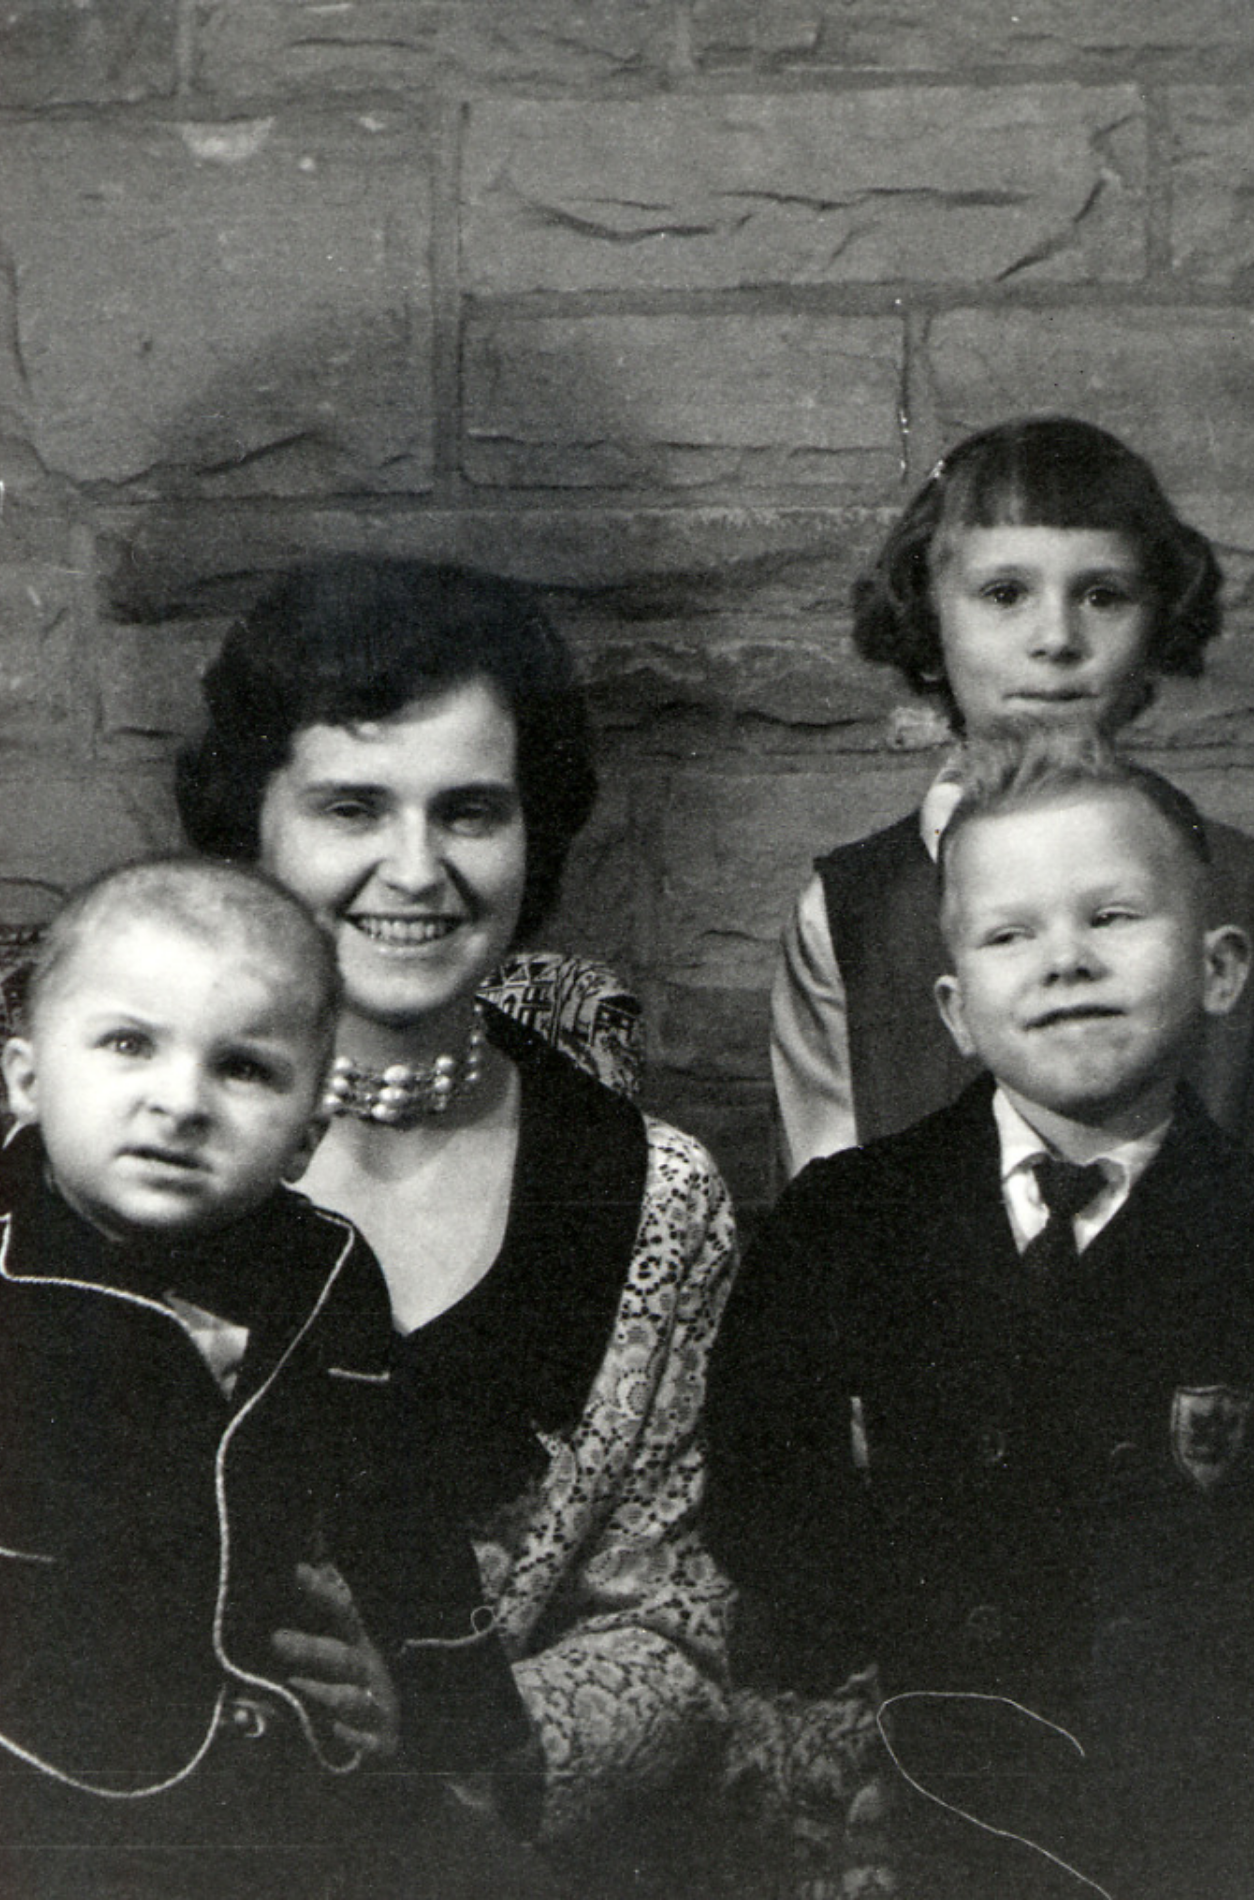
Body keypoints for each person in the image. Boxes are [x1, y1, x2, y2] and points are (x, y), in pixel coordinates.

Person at [177, 556, 739, 1888]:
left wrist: (439, 1726)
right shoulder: (116, 1145)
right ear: (254, 828)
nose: (416, 870)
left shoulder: (653, 1195)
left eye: (472, 811)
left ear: (535, 832)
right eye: (352, 806)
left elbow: (675, 1641)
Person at [0, 857, 536, 1900]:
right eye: (127, 1045)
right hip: (1, 1756)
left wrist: (430, 1703)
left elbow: (398, 1512)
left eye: (243, 1068)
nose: (179, 1101)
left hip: (270, 1755)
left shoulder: (328, 1271)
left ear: (307, 1134)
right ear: (26, 1082)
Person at [710, 729, 1254, 1897]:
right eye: (1012, 934)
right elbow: (762, 1511)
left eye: (1112, 917)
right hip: (916, 1791)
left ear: (1218, 967)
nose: (1063, 961)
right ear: (955, 1009)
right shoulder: (842, 1223)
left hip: (1184, 1812)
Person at [771, 415, 1254, 1175]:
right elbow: (825, 1204)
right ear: (930, 621)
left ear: (1158, 621)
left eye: (1102, 595)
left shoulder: (1238, 883)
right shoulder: (850, 910)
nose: (1056, 638)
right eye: (1005, 593)